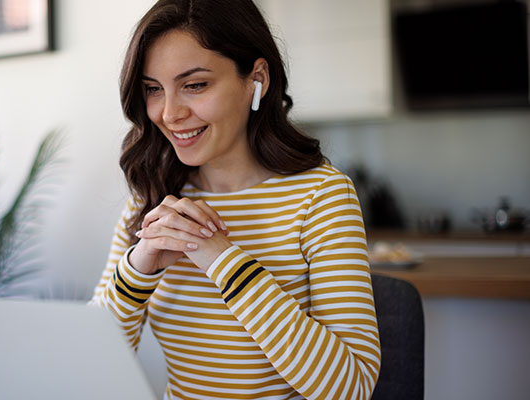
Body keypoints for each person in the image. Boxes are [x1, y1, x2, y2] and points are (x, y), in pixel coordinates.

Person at [90, 0, 381, 398]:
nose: (170, 113)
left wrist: (221, 258)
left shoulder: (322, 197)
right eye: (153, 90)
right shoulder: (153, 198)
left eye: (195, 85)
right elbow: (91, 364)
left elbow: (352, 387)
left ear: (256, 79)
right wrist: (139, 267)